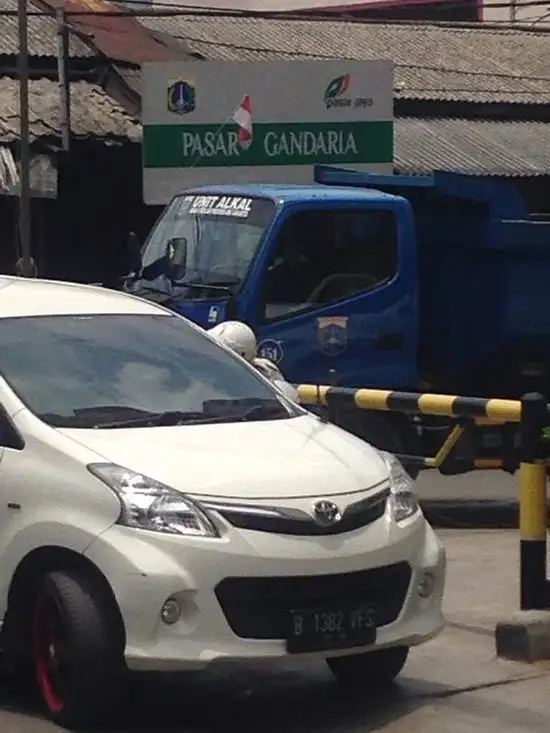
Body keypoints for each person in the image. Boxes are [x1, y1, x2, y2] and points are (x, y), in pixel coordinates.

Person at [208, 320, 300, 402]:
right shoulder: (203, 371)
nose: (215, 356)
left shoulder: (265, 378)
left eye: (222, 352)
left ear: (241, 355)